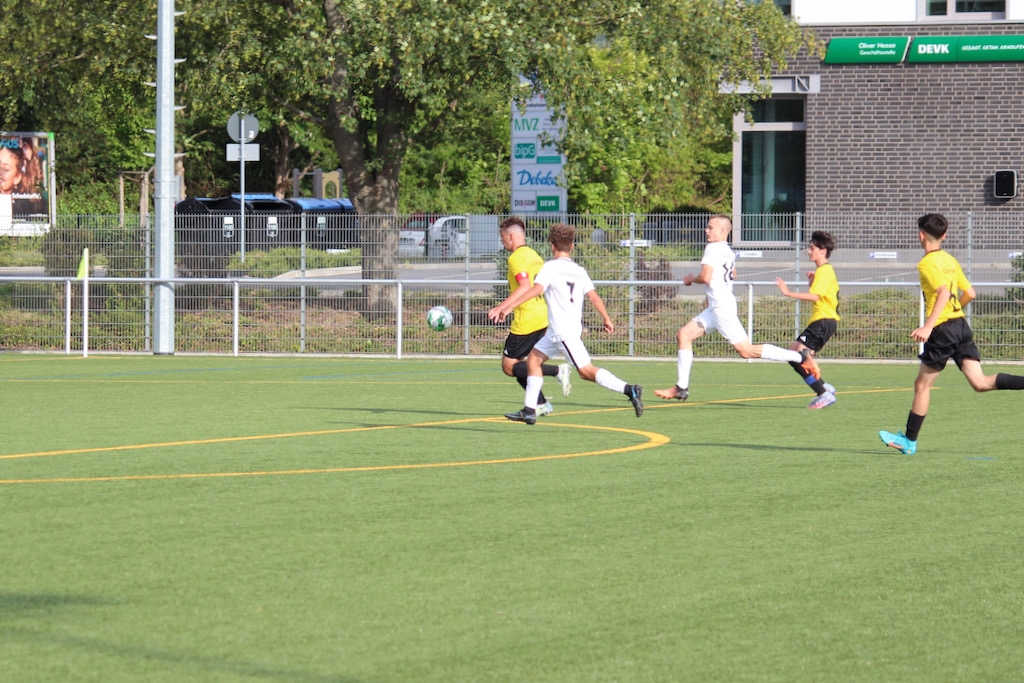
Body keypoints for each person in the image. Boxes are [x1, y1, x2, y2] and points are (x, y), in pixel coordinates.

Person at [879, 213, 1024, 455]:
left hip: (943, 330)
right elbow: (970, 293)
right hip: (960, 325)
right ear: (944, 235)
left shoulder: (926, 263)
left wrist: (929, 326)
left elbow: (944, 293)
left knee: (922, 385)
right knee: (980, 383)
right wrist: (953, 314)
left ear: (921, 235)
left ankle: (909, 442)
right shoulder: (950, 259)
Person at [487, 222, 644, 425]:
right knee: (533, 362)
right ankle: (530, 410)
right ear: (572, 246)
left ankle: (629, 389)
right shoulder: (578, 271)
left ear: (552, 246)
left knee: (586, 371)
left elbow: (535, 290)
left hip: (563, 333)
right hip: (555, 331)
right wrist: (606, 318)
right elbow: (594, 297)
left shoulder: (551, 268)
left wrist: (509, 307)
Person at [654, 214, 820, 402]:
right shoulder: (727, 250)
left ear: (722, 231)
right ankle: (681, 387)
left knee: (747, 351)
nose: (706, 230)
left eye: (710, 227)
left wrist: (690, 279)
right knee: (684, 335)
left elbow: (706, 277)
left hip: (721, 308)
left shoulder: (712, 248)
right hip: (719, 305)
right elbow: (733, 273)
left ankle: (800, 357)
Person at [492, 215, 572, 416]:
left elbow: (525, 286)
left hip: (527, 319)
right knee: (521, 364)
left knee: (509, 366)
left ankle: (557, 371)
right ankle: (541, 403)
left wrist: (503, 307)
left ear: (511, 237)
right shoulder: (534, 255)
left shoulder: (516, 258)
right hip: (542, 315)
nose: (502, 241)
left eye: (503, 237)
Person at [774, 230, 840, 409]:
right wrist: (812, 282)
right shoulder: (823, 271)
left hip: (823, 321)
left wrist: (788, 293)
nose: (808, 251)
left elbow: (815, 297)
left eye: (812, 248)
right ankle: (823, 386)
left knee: (800, 357)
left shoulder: (824, 271)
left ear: (822, 251)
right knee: (793, 355)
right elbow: (822, 295)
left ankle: (823, 393)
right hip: (822, 321)